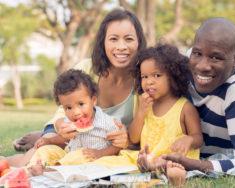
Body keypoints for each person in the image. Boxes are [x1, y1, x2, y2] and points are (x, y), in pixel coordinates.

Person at [6, 9, 147, 167]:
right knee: (33, 160)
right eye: (113, 39)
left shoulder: (146, 78)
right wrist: (60, 128)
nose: (121, 46)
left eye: (129, 39)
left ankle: (42, 135)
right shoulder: (86, 68)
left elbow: (147, 127)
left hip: (107, 145)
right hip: (68, 134)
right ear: (103, 42)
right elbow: (62, 111)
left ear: (139, 42)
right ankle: (35, 142)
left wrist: (127, 138)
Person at [138, 17, 235, 174]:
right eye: (197, 53)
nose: (202, 66)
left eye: (215, 57)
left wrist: (188, 163)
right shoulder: (187, 63)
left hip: (203, 156)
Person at [83, 44, 203, 176]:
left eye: (156, 75)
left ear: (173, 76)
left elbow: (198, 138)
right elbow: (134, 138)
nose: (149, 82)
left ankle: (159, 167)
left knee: (170, 168)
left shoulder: (185, 108)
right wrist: (141, 112)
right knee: (104, 164)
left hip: (173, 160)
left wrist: (189, 140)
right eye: (144, 77)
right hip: (145, 159)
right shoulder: (146, 104)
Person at [28, 69, 121, 167]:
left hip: (94, 162)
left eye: (81, 104)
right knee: (46, 150)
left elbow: (117, 145)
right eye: (68, 107)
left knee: (81, 155)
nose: (76, 112)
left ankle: (52, 170)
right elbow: (65, 138)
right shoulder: (70, 122)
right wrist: (49, 141)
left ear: (93, 100)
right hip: (70, 157)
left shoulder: (108, 122)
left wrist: (100, 153)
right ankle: (35, 166)